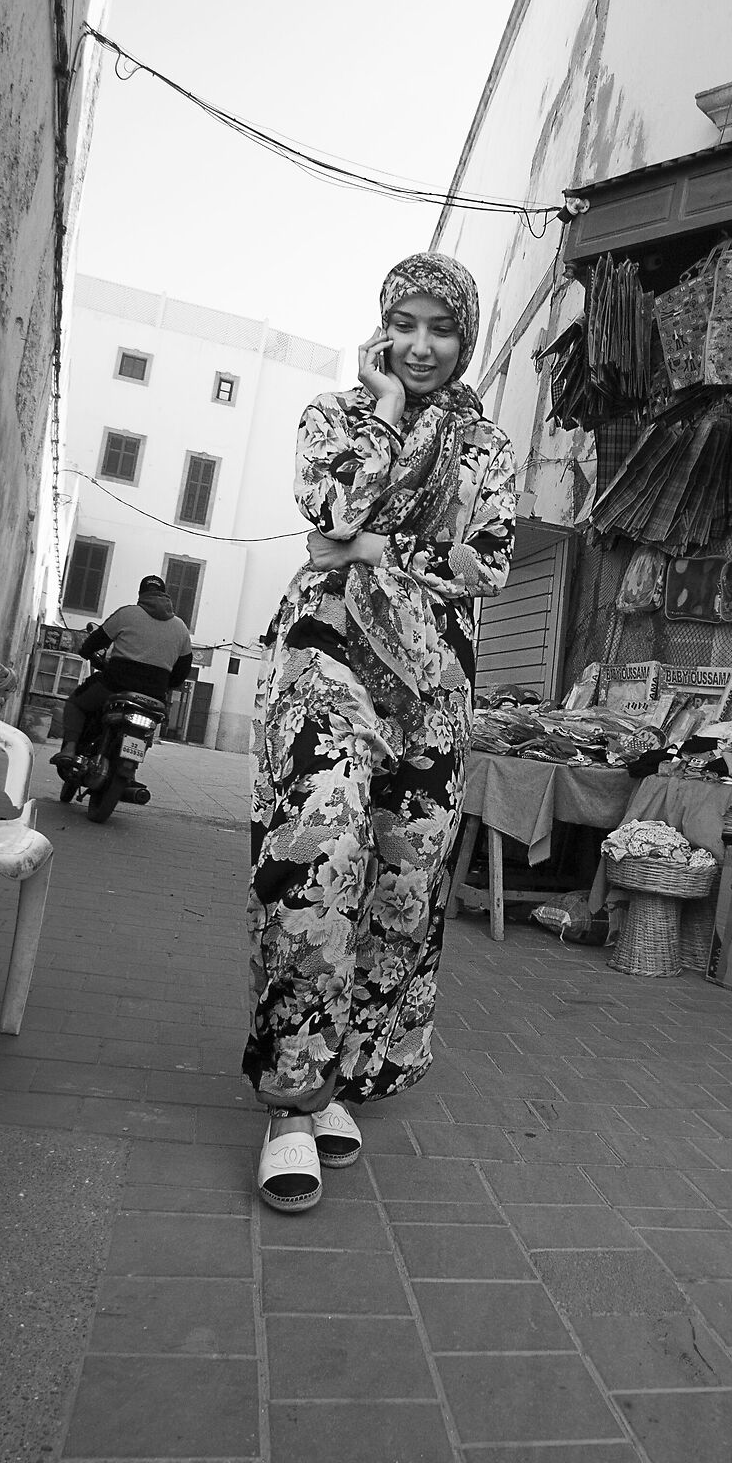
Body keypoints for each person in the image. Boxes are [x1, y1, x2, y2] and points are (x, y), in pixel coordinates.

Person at [245, 252, 516, 1210]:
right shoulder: (334, 418)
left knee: (400, 882)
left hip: (434, 682)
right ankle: (289, 1101)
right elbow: (328, 512)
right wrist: (385, 414)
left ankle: (339, 1079)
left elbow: (486, 564)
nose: (421, 345)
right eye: (405, 323)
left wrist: (374, 546)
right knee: (315, 856)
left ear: (466, 338)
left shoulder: (486, 447)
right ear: (380, 328)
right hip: (325, 659)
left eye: (442, 328)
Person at [52, 575, 194, 771]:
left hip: (115, 685)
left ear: (141, 594)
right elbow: (183, 670)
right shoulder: (181, 628)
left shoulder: (127, 614)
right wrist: (166, 684)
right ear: (165, 595)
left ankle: (69, 749)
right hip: (154, 694)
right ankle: (131, 770)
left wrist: (85, 652)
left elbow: (96, 640)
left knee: (76, 703)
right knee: (147, 730)